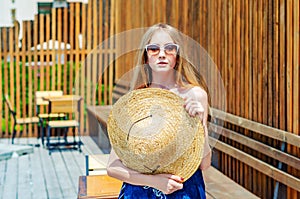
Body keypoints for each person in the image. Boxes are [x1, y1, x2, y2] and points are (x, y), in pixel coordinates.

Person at [107, 23, 211, 199]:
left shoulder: (195, 95)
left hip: (184, 191)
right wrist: (155, 182)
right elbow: (112, 167)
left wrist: (201, 124)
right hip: (141, 192)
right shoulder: (136, 101)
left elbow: (204, 163)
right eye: (153, 49)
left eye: (170, 48)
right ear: (146, 56)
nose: (162, 54)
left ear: (177, 56)